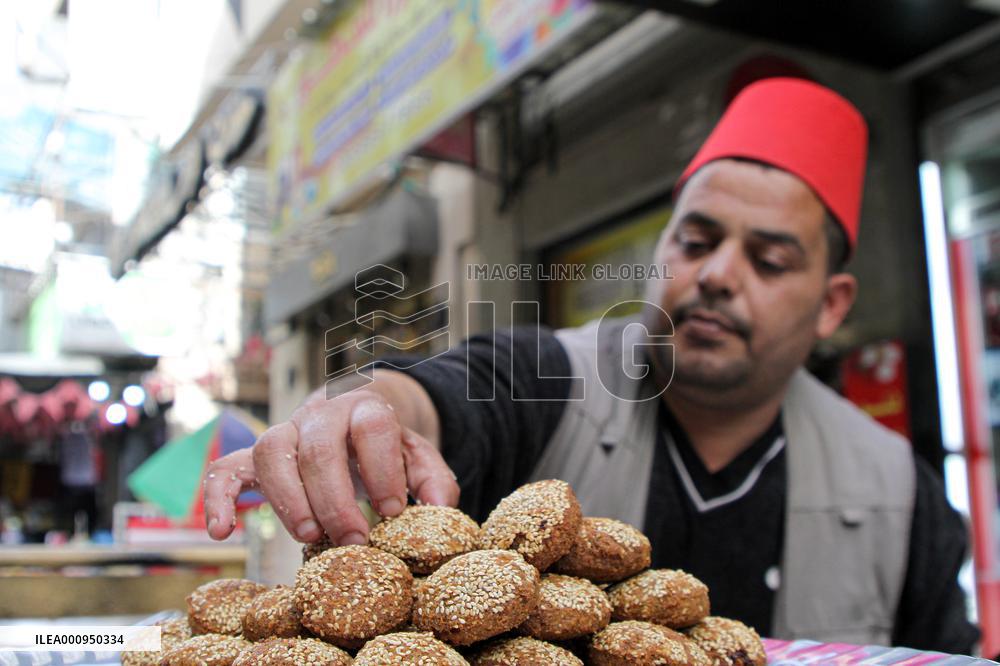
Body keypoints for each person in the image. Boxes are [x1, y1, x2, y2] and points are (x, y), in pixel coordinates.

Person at [204, 78, 978, 653]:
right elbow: (443, 391)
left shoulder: (902, 494)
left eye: (769, 259)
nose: (716, 274)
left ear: (833, 303)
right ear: (662, 251)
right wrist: (365, 408)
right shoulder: (550, 377)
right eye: (697, 241)